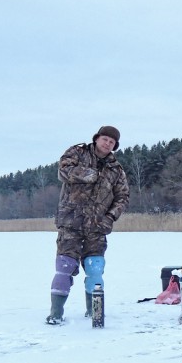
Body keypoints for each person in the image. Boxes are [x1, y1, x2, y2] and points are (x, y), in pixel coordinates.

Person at [46, 126, 130, 324]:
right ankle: (55, 314)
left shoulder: (116, 170)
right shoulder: (77, 152)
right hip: (70, 221)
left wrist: (109, 217)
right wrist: (90, 175)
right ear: (97, 138)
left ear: (114, 146)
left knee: (95, 268)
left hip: (97, 226)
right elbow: (63, 170)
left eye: (111, 142)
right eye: (104, 139)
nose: (107, 143)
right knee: (64, 267)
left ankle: (94, 312)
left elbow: (123, 197)